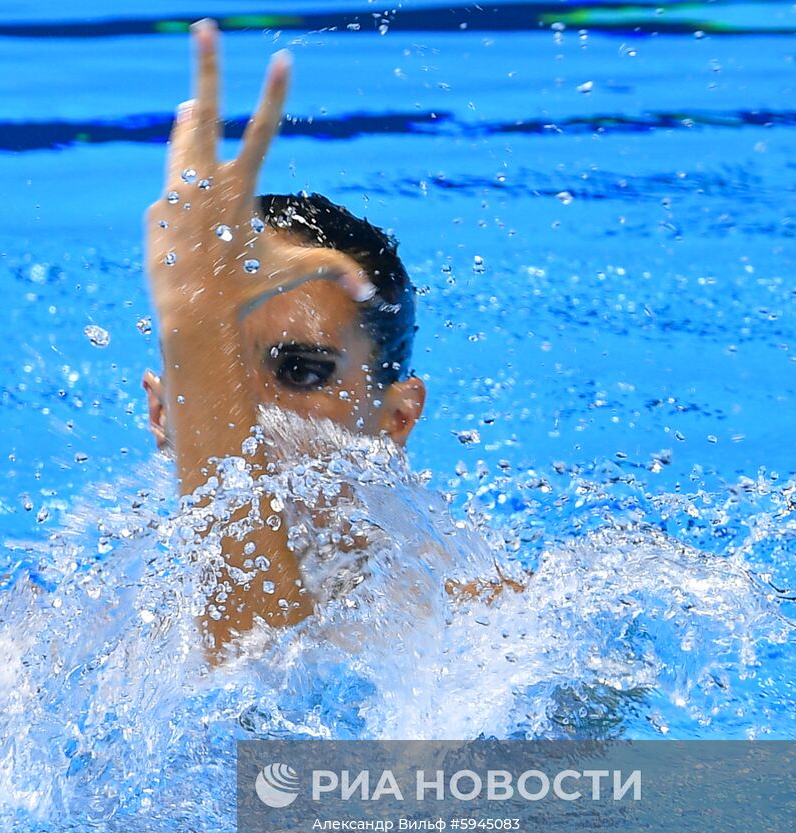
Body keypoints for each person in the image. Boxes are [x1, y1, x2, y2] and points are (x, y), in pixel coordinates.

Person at [140, 20, 515, 654]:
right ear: (160, 412)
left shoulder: (485, 633)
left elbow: (256, 659)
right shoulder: (60, 628)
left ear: (397, 417)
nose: (246, 406)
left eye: (302, 371)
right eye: (218, 372)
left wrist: (196, 329)